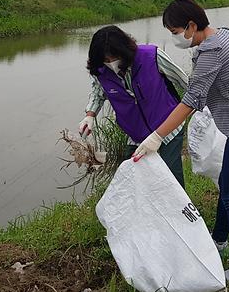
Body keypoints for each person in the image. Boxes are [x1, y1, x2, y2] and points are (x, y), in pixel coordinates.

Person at [134, 0, 229, 287]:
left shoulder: (213, 51)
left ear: (192, 25)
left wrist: (157, 136)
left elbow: (193, 99)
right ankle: (219, 242)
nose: (175, 39)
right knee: (227, 186)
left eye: (175, 32)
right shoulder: (226, 35)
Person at [79, 25, 188, 186]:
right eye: (106, 60)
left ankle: (180, 210)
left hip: (168, 128)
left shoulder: (151, 56)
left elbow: (184, 81)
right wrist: (90, 115)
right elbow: (98, 92)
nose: (111, 63)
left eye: (113, 58)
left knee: (170, 178)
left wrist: (200, 107)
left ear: (123, 51)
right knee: (135, 179)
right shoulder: (100, 70)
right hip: (136, 135)